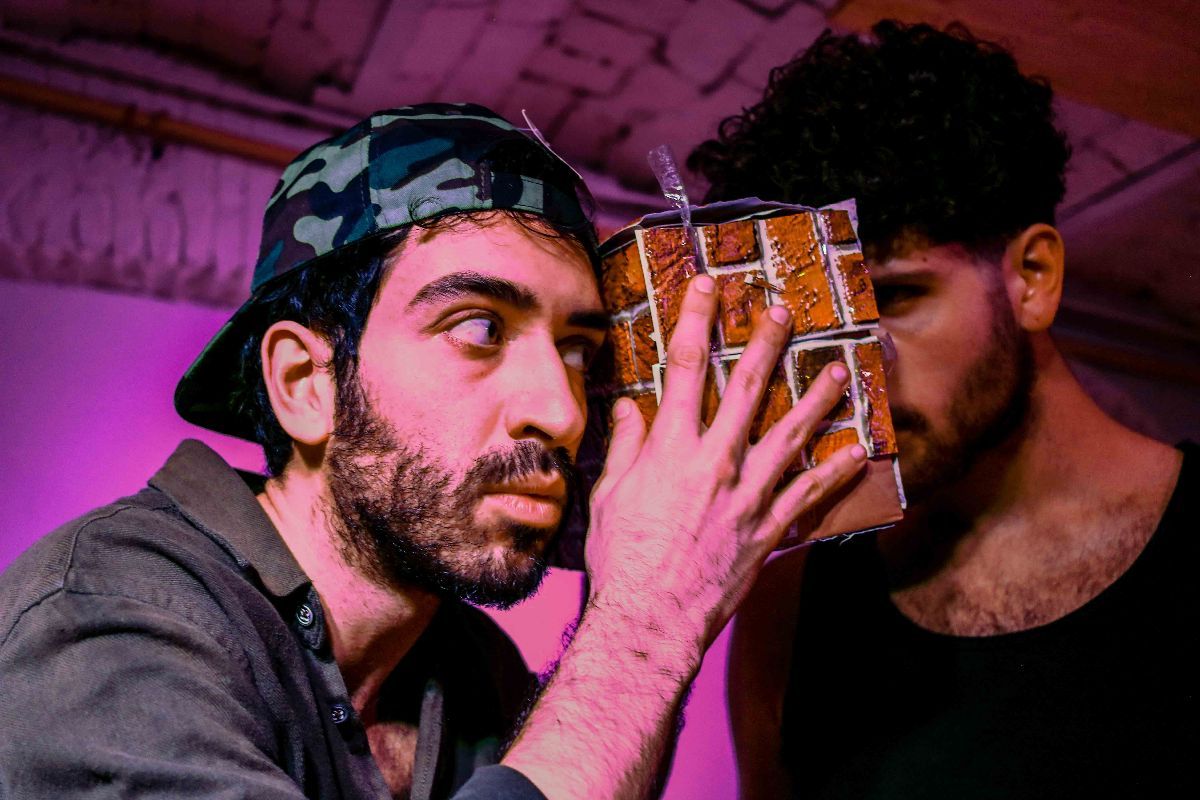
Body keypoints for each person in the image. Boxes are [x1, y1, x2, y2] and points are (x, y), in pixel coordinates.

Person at [0, 103, 866, 799]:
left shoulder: (472, 672)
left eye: (579, 352)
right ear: (305, 382)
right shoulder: (106, 620)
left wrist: (637, 606)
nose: (563, 412)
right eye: (479, 328)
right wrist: (647, 623)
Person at [688, 20, 1197, 799]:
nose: (852, 372)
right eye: (820, 326)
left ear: (1032, 278)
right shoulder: (789, 606)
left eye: (894, 298)